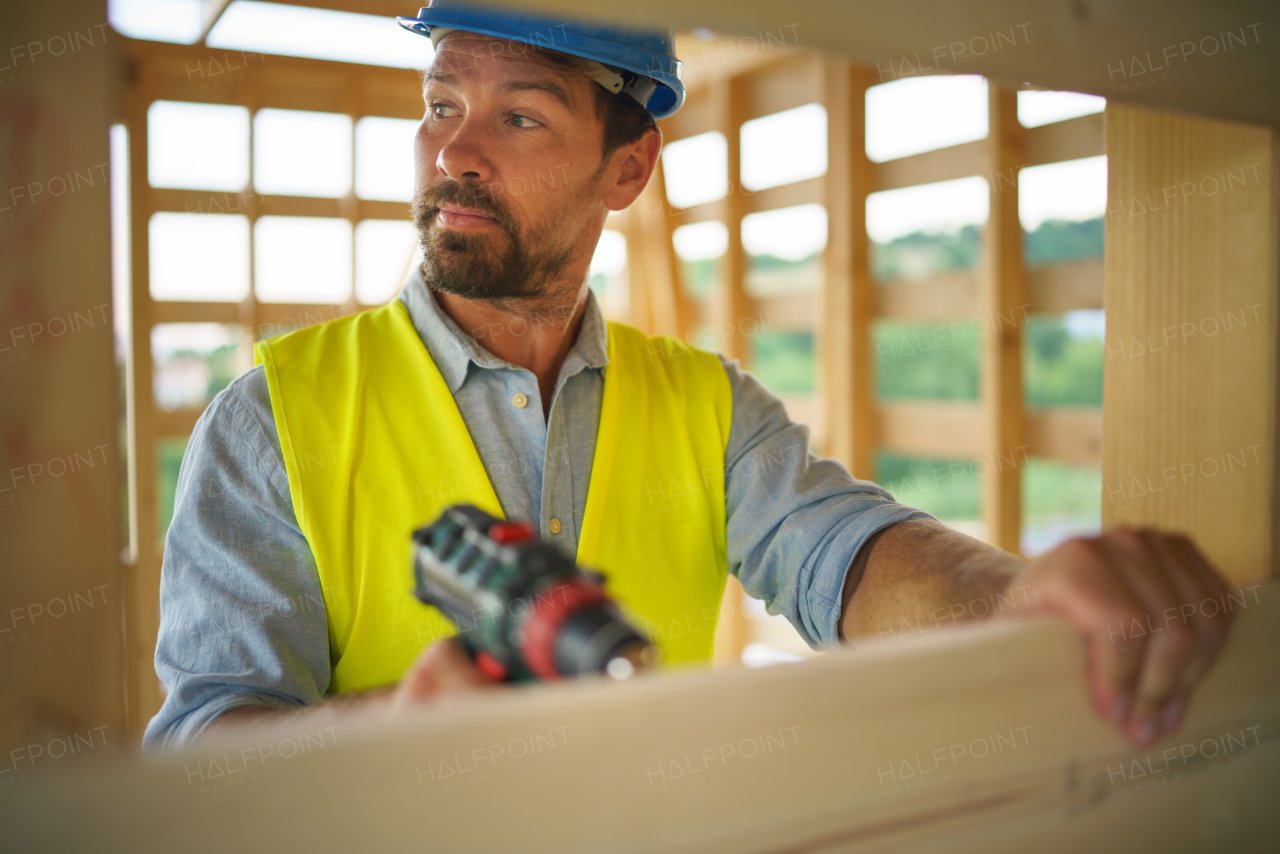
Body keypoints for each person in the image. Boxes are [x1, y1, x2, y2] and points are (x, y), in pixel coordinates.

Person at [144, 2, 1235, 751]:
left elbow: (847, 559)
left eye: (517, 115)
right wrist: (388, 733)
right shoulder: (272, 419)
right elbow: (202, 755)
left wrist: (1010, 595)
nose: (452, 152)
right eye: (440, 103)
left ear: (626, 168)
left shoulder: (707, 408)